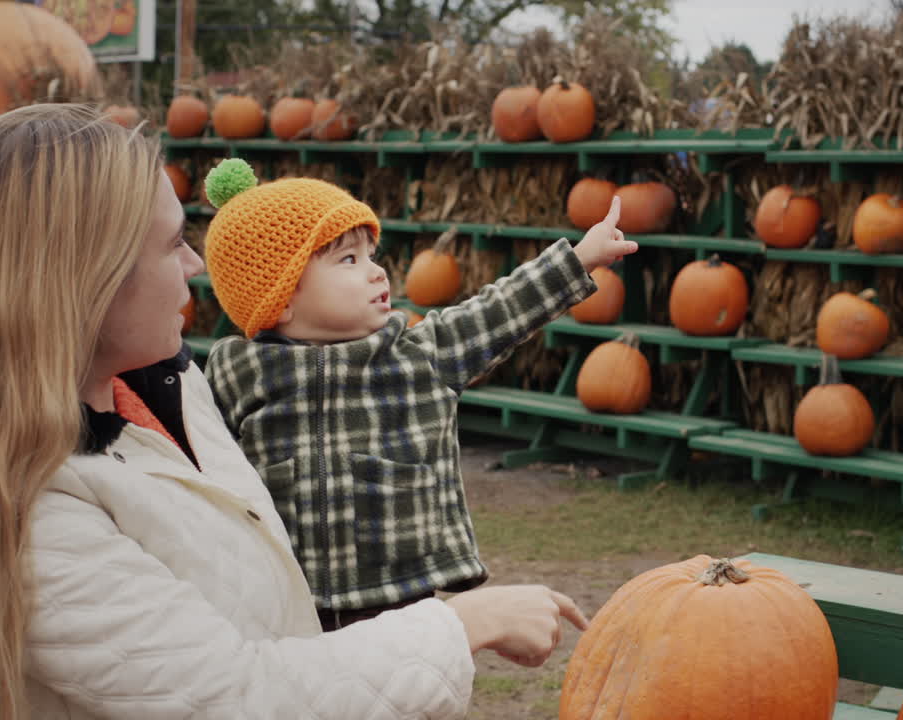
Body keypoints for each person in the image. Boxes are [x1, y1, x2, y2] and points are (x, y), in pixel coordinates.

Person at [0, 103, 591, 720]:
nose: (194, 265)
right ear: (85, 281)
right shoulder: (18, 510)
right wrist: (465, 623)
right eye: (171, 243)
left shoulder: (170, 387)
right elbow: (237, 698)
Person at [200, 159, 638, 630]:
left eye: (372, 255)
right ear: (281, 298)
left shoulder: (417, 354)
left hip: (398, 601)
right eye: (349, 260)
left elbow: (497, 311)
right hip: (287, 607)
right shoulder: (236, 372)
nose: (377, 273)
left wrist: (579, 258)